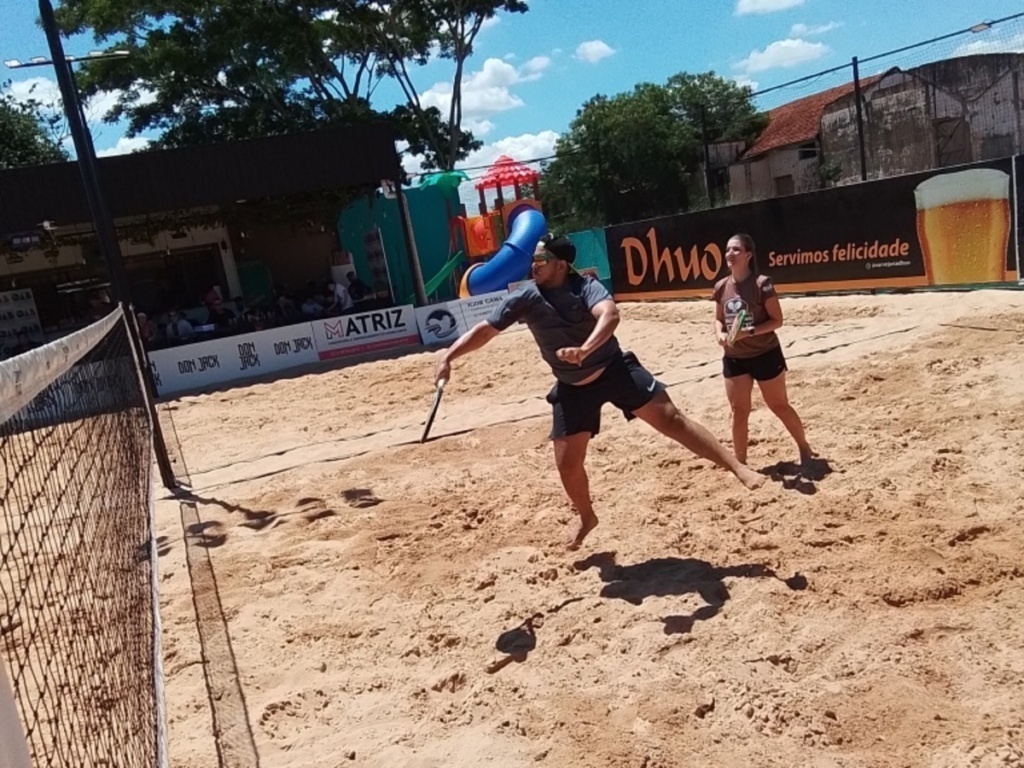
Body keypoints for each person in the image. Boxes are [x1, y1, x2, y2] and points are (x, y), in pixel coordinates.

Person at [434, 234, 765, 551]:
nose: (533, 265)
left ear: (560, 264)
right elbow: (485, 331)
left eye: (540, 259)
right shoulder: (525, 297)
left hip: (613, 369)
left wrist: (585, 350)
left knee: (672, 420)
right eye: (532, 259)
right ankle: (587, 517)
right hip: (572, 388)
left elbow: (610, 315)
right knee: (567, 464)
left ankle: (738, 467)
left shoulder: (585, 286)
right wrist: (449, 356)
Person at [712, 233, 813, 468]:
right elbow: (718, 319)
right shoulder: (720, 287)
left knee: (778, 405)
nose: (730, 254)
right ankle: (740, 463)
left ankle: (804, 447)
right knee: (739, 411)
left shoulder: (761, 283)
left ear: (748, 255)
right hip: (735, 357)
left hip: (765, 353)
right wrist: (720, 334)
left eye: (736, 249)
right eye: (727, 249)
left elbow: (777, 320)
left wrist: (751, 332)